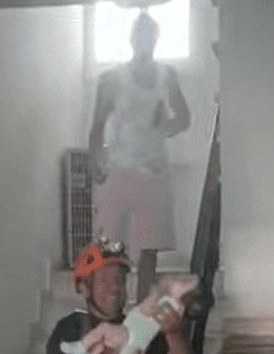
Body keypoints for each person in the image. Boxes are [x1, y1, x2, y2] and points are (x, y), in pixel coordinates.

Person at [89, 11, 191, 305]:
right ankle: (112, 304)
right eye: (140, 36)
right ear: (132, 39)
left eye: (150, 37)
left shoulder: (167, 76)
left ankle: (142, 308)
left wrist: (164, 125)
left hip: (153, 173)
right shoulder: (112, 79)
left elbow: (184, 118)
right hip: (120, 170)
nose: (145, 41)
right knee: (112, 247)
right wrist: (95, 160)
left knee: (148, 248)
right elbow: (97, 124)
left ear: (156, 40)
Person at [47, 239, 192, 354]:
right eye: (105, 280)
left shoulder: (143, 329)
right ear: (85, 288)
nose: (115, 287)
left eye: (119, 279)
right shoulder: (70, 329)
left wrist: (172, 335)